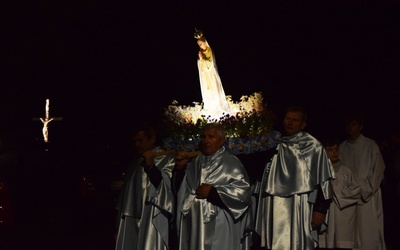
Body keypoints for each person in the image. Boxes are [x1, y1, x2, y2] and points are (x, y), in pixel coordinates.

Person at [255, 105, 335, 249]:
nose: (290, 123)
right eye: (287, 119)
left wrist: (320, 209)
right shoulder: (274, 143)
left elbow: (324, 181)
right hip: (274, 203)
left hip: (300, 203)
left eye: (294, 120)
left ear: (303, 124)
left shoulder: (313, 146)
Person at [174, 122, 252, 250]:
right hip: (194, 222)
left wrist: (214, 193)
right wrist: (180, 169)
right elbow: (183, 189)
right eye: (204, 137)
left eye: (211, 137)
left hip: (219, 221)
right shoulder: (196, 161)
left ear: (222, 141)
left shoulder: (231, 162)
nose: (206, 141)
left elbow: (243, 193)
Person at [114, 122, 175, 250]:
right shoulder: (134, 163)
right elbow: (125, 196)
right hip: (131, 217)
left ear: (152, 139)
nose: (137, 144)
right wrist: (118, 224)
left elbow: (165, 188)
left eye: (140, 140)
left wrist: (151, 167)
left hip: (151, 215)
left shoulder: (165, 159)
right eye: (135, 141)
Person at [339, 112, 386, 250]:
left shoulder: (370, 145)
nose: (350, 128)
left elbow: (378, 170)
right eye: (348, 124)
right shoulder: (342, 147)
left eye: (353, 124)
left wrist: (365, 190)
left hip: (368, 194)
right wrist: (348, 192)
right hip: (349, 196)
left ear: (360, 127)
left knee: (369, 227)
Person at [318, 138, 362, 250]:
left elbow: (356, 191)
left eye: (336, 149)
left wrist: (336, 189)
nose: (334, 152)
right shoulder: (320, 171)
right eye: (330, 150)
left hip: (343, 214)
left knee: (342, 242)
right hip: (327, 215)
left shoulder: (347, 171)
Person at [194, 29, 231, 118]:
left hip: (211, 75)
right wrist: (200, 60)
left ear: (204, 42)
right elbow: (200, 63)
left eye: (201, 43)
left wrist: (202, 59)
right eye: (199, 44)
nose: (200, 45)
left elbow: (210, 64)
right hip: (205, 76)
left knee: (213, 88)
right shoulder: (201, 52)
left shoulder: (209, 51)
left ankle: (218, 109)